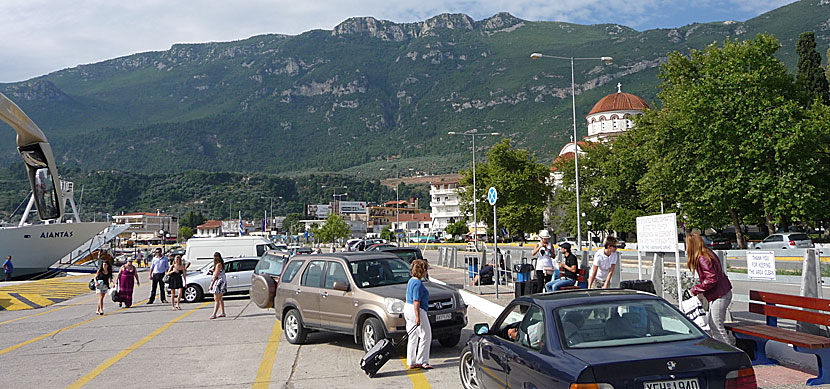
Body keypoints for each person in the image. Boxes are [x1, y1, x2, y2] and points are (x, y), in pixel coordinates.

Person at [687, 232, 734, 345]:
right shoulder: (707, 253)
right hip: (721, 293)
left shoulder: (702, 258)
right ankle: (724, 350)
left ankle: (728, 353)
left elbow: (711, 279)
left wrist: (695, 289)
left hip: (720, 295)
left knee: (716, 326)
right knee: (715, 325)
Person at [405, 259, 432, 370]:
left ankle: (411, 361)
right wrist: (418, 317)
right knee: (426, 335)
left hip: (407, 308)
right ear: (422, 271)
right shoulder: (417, 283)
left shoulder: (411, 281)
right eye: (425, 269)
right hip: (417, 310)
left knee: (413, 336)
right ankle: (422, 360)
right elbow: (416, 300)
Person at [209, 252, 227, 319]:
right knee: (220, 299)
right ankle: (222, 312)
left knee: (216, 299)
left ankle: (214, 314)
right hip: (222, 282)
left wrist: (211, 284)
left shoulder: (218, 265)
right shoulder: (220, 264)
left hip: (219, 282)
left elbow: (216, 275)